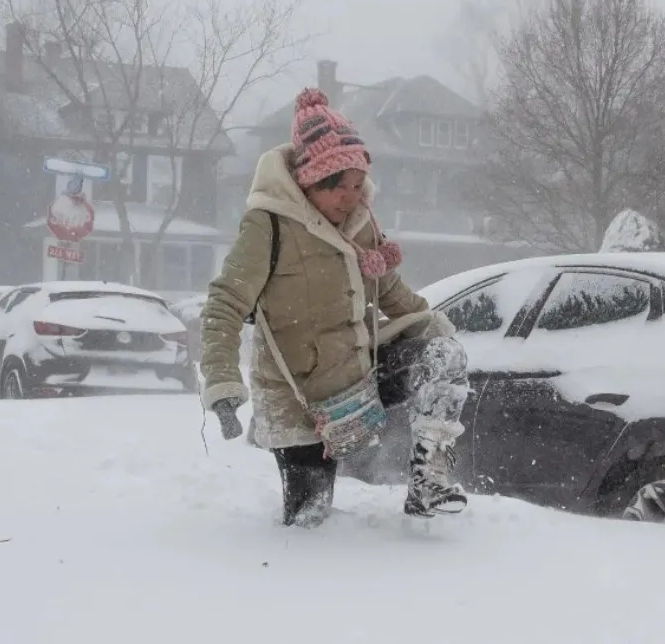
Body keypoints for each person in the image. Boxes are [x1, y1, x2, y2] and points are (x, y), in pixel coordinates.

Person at [199, 87, 470, 527]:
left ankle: (430, 482)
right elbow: (225, 303)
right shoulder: (268, 223)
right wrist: (223, 384)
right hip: (299, 397)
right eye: (338, 186)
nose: (351, 197)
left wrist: (443, 329)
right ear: (309, 181)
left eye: (357, 183)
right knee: (310, 521)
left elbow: (393, 294)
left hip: (359, 375)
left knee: (443, 354)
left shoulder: (361, 224)